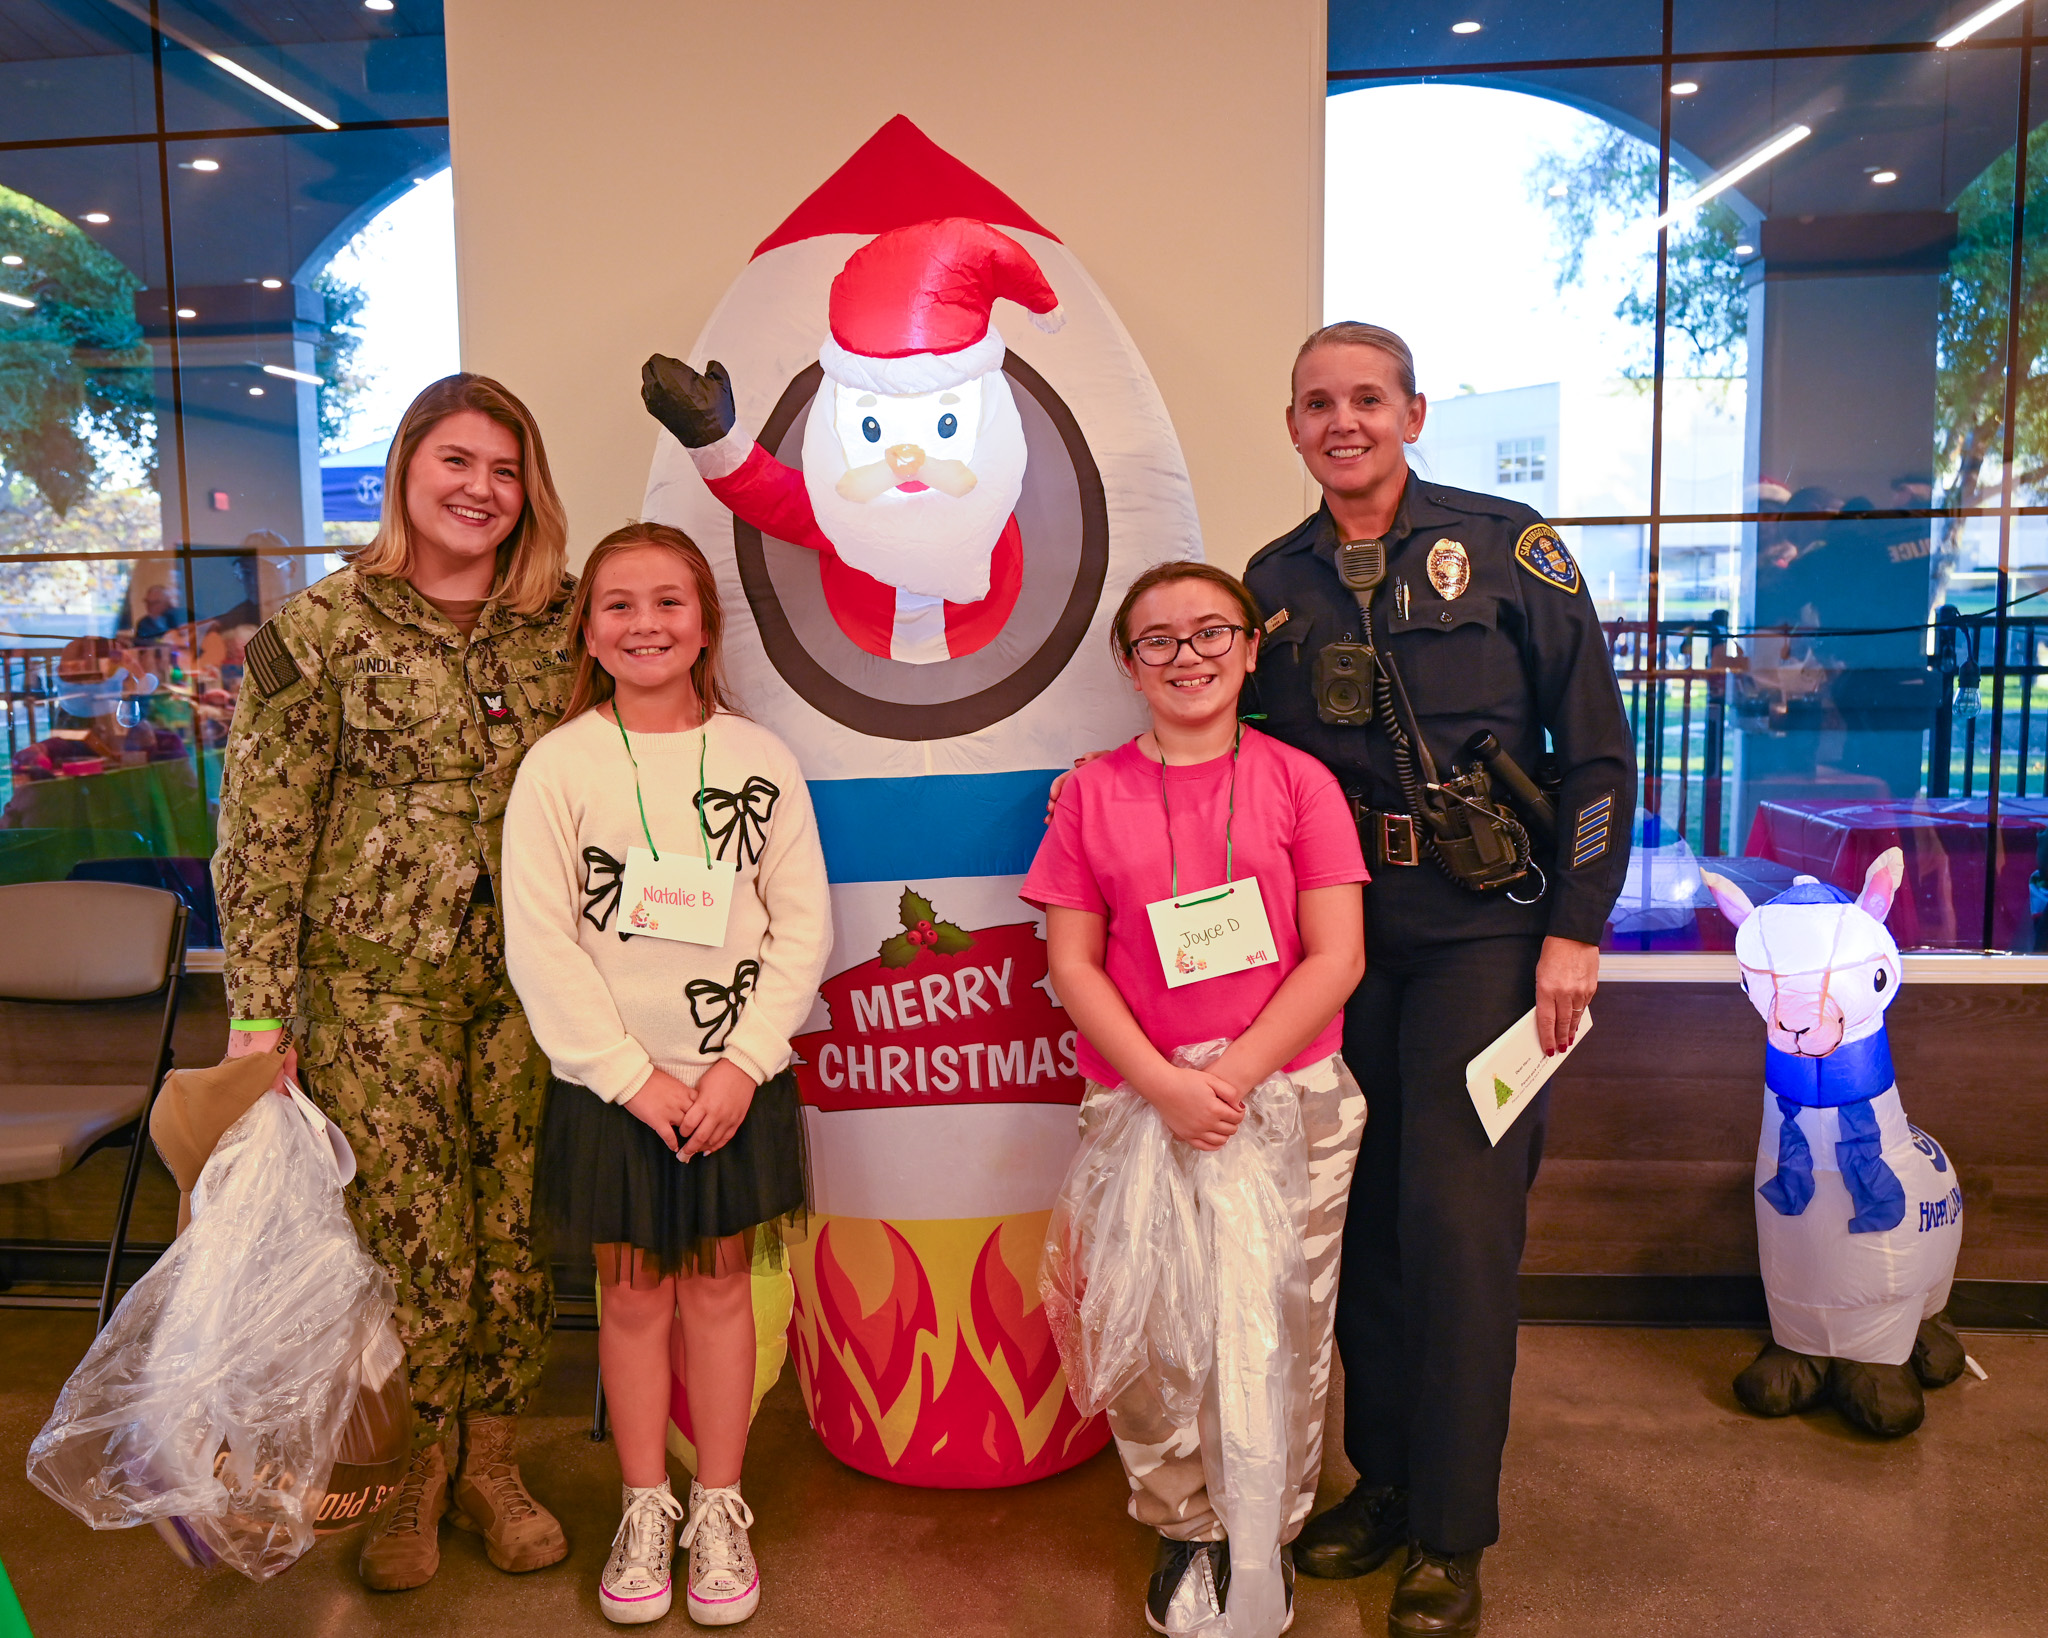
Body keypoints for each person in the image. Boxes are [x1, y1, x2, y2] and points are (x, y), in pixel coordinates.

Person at [1252, 323, 1634, 1637]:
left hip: (1486, 933)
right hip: (1342, 944)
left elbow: (1596, 758)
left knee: (1461, 1226)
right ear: (1293, 424)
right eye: (1318, 402)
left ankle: (1453, 1535)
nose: (1342, 420)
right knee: (1361, 1220)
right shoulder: (1274, 579)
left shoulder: (1509, 543)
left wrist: (1577, 927)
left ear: (1412, 411)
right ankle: (1389, 1480)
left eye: (1367, 398)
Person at [212, 373, 576, 1591]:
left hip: (530, 988)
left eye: (506, 470)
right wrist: (257, 1018)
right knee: (408, 1237)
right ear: (406, 469)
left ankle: (494, 1461)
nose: (481, 489)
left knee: (514, 1230)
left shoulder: (565, 626)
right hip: (371, 999)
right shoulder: (319, 633)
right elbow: (261, 831)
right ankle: (413, 1473)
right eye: (458, 462)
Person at [1025, 561, 1368, 1637]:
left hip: (1288, 1098)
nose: (1187, 657)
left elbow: (1336, 954)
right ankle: (1185, 1528)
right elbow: (1071, 965)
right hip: (1138, 1105)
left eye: (1210, 633)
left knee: (1281, 1325)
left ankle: (1263, 1530)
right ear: (1127, 665)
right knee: (1157, 1324)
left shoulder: (1297, 783)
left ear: (1250, 648)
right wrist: (1166, 1085)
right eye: (1158, 641)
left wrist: (1226, 1077)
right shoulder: (1088, 793)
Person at [503, 522, 830, 1627]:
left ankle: (718, 1505)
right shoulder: (559, 764)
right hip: (614, 1089)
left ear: (704, 624)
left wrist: (742, 1064)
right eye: (619, 606)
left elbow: (801, 923)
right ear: (588, 632)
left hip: (736, 1083)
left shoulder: (756, 758)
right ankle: (644, 1505)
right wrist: (628, 1076)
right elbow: (538, 940)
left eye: (668, 603)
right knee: (631, 1297)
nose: (644, 625)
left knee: (720, 1288)